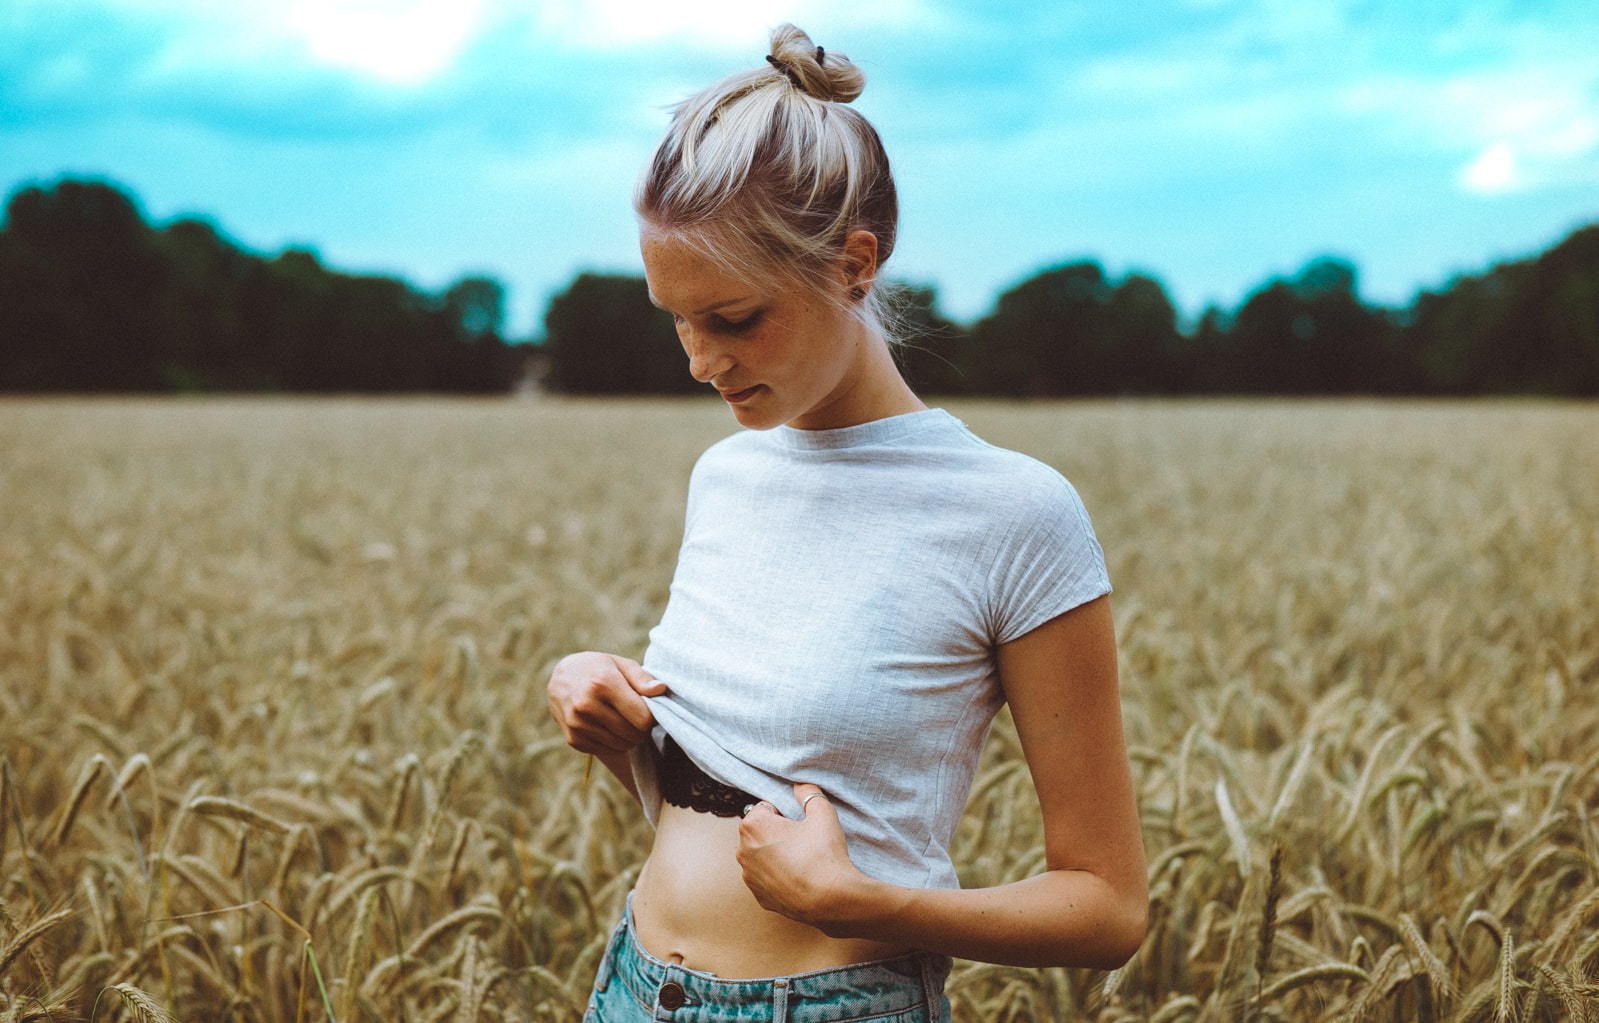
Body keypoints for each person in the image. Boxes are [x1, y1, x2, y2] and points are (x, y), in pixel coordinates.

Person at [546, 24, 1147, 1022]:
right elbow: (722, 798)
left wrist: (860, 901)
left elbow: (1107, 908)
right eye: (675, 318)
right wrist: (608, 709)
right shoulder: (726, 477)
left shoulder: (1015, 512)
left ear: (854, 265)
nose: (700, 361)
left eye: (734, 319)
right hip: (630, 988)